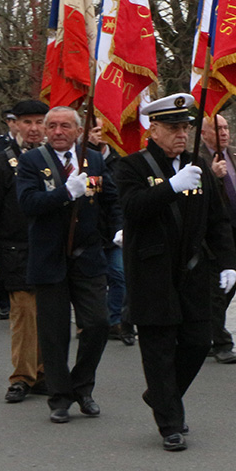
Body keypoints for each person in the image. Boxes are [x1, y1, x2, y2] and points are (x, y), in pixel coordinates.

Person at [114, 94, 236, 451]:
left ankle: (161, 396)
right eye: (172, 128)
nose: (181, 134)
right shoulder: (132, 167)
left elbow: (217, 220)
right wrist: (170, 188)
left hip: (193, 271)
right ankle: (170, 421)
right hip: (152, 271)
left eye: (185, 127)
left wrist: (229, 263)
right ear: (152, 129)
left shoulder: (197, 164)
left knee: (199, 342)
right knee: (158, 348)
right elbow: (133, 208)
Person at [15, 106, 120, 424]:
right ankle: (59, 397)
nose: (58, 131)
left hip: (88, 257)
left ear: (78, 130)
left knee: (98, 323)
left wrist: (118, 229)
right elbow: (28, 203)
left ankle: (82, 386)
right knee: (54, 332)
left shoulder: (95, 159)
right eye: (52, 126)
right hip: (49, 259)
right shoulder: (31, 161)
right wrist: (65, 193)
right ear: (46, 131)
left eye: (65, 126)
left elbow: (111, 200)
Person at [0, 99, 49, 402]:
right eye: (27, 122)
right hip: (16, 250)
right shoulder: (2, 164)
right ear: (14, 124)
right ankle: (21, 376)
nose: (33, 128)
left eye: (38, 122)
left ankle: (45, 372)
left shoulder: (57, 159)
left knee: (48, 315)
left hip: (50, 249)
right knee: (23, 316)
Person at [199, 113, 236, 364]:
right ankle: (221, 342)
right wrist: (211, 176)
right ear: (204, 134)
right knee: (214, 290)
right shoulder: (196, 159)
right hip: (208, 237)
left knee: (231, 284)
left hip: (235, 232)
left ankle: (210, 330)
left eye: (226, 127)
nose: (223, 132)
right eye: (217, 128)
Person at [87, 124, 134, 346]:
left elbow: (116, 197)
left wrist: (120, 226)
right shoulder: (82, 159)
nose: (100, 134)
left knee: (119, 274)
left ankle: (115, 320)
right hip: (90, 231)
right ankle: (90, 320)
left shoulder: (118, 159)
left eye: (104, 129)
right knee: (92, 279)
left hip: (113, 230)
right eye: (95, 129)